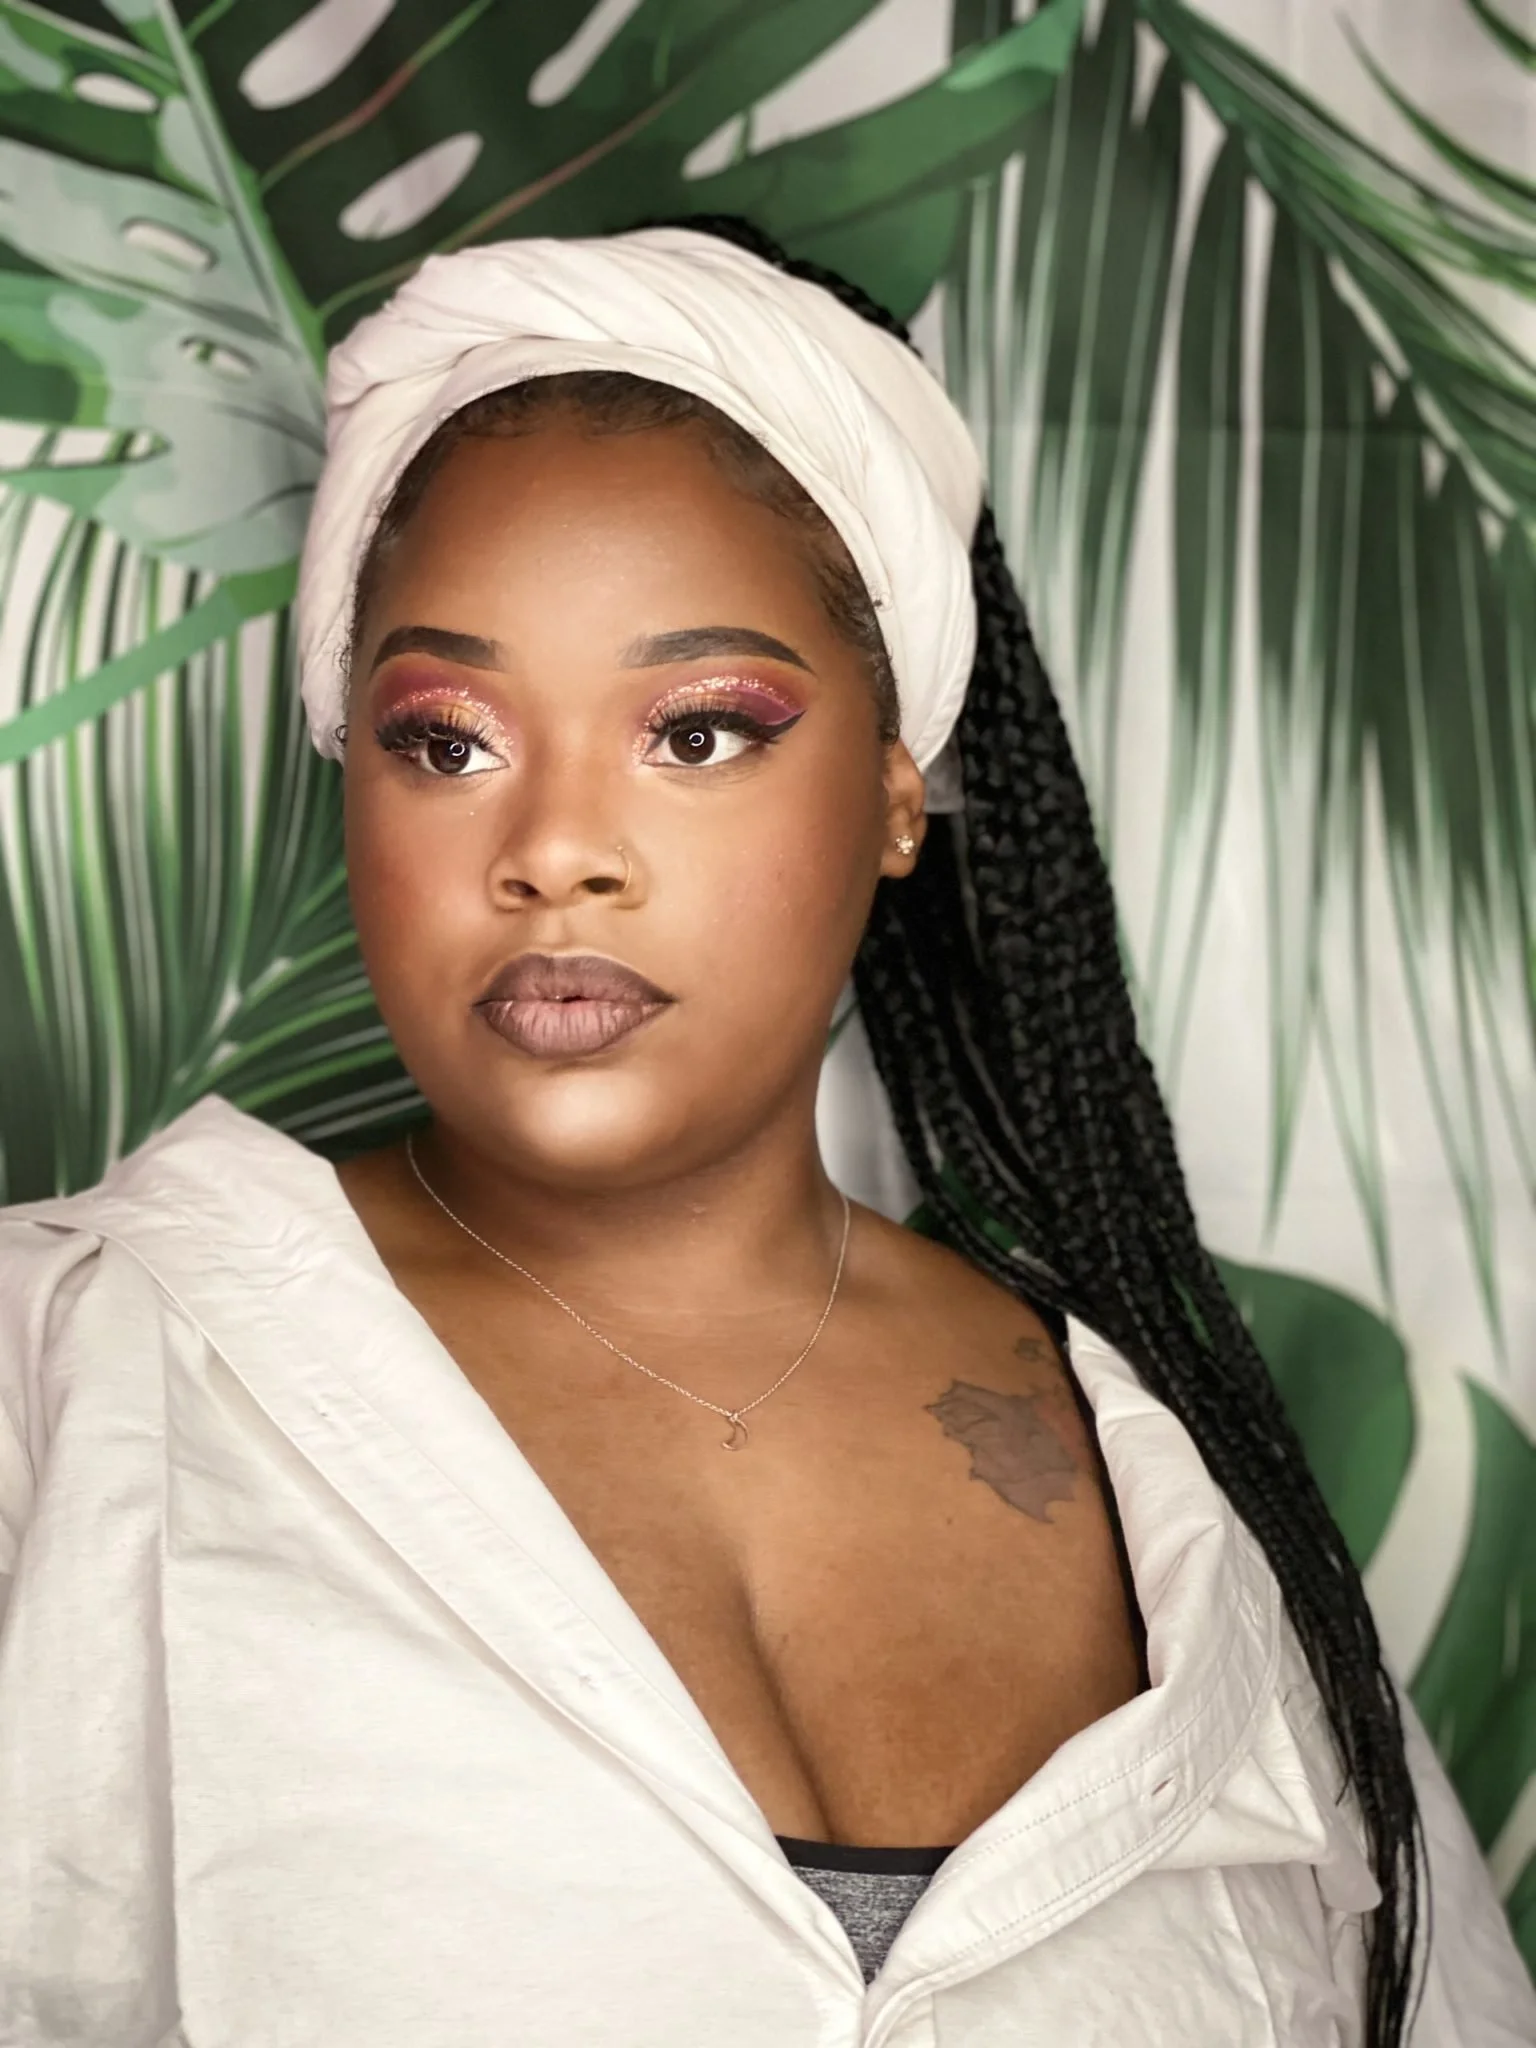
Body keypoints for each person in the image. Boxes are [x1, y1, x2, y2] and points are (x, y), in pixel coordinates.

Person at [0, 215, 1529, 2048]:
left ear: (899, 794)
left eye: (701, 731)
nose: (555, 846)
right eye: (450, 738)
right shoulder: (77, 1379)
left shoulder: (1175, 1480)